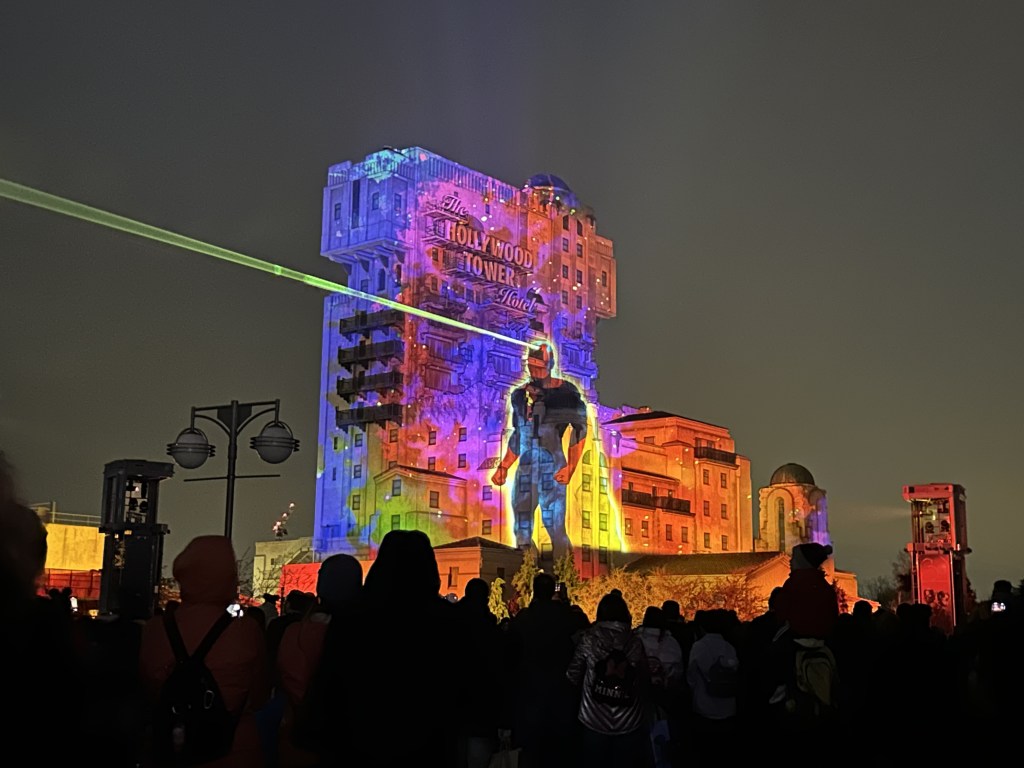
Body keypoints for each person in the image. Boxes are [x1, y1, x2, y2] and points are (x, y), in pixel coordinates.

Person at [137, 535, 271, 768]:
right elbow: (260, 694)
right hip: (235, 751)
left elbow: (147, 691)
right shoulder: (246, 630)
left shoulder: (155, 630)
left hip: (171, 750)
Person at [491, 342, 588, 562]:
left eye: (539, 368)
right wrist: (504, 465)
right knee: (521, 526)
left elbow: (580, 430)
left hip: (551, 465)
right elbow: (518, 434)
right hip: (526, 465)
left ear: (550, 365)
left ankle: (563, 578)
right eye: (531, 367)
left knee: (553, 524)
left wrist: (571, 466)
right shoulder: (518, 396)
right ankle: (528, 574)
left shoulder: (565, 393)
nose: (535, 373)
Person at [566, 590, 650, 768]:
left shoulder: (589, 639)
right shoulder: (635, 641)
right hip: (630, 719)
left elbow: (573, 674)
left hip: (593, 717)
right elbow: (644, 677)